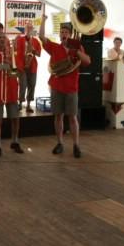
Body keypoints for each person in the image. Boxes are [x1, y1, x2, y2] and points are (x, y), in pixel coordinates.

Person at [39, 16, 91, 158]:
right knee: (58, 117)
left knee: (73, 117)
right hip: (56, 87)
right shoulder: (55, 47)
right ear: (59, 34)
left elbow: (87, 61)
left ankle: (76, 145)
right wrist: (43, 21)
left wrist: (74, 51)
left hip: (71, 88)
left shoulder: (77, 47)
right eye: (62, 32)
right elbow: (41, 37)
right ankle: (60, 143)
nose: (63, 34)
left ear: (70, 34)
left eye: (66, 32)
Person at [15, 21, 42, 113]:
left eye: (31, 28)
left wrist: (33, 50)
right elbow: (15, 51)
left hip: (32, 66)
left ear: (33, 30)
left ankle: (28, 104)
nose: (29, 29)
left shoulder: (36, 41)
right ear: (25, 30)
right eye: (27, 28)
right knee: (23, 85)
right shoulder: (19, 39)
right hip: (21, 66)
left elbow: (39, 54)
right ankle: (20, 103)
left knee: (32, 85)